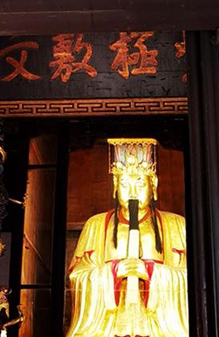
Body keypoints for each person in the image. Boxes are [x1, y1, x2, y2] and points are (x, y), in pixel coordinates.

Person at [67, 139, 188, 337]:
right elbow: (78, 277)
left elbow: (191, 279)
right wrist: (113, 272)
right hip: (110, 326)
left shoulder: (176, 225)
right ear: (115, 186)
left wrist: (151, 273)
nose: (132, 192)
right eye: (124, 184)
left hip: (157, 327)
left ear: (153, 185)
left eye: (140, 183)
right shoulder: (96, 225)